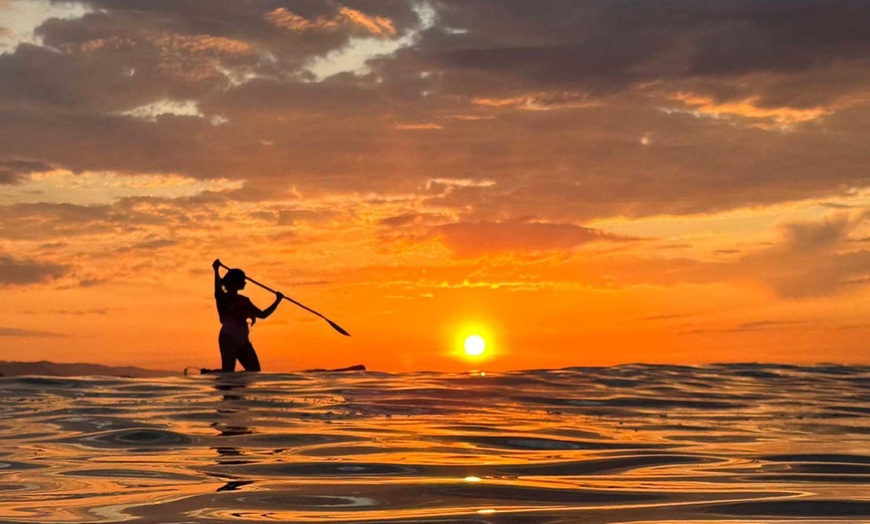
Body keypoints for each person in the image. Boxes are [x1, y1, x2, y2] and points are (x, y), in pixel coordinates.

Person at [212, 259, 283, 372]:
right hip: (227, 337)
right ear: (236, 282)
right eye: (243, 279)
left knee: (255, 371)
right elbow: (217, 289)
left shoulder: (245, 301)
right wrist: (216, 270)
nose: (245, 282)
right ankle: (209, 374)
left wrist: (277, 301)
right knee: (228, 372)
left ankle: (212, 374)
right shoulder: (223, 298)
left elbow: (263, 315)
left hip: (243, 340)